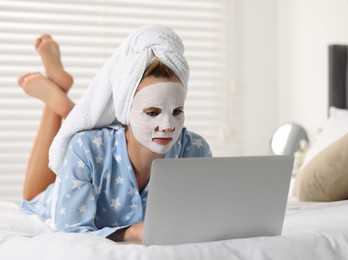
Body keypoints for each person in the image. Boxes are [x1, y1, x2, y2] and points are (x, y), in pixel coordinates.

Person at [18, 25, 212, 242]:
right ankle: (57, 99)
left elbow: (207, 216)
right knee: (33, 195)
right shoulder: (85, 147)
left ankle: (62, 99)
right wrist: (132, 231)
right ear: (125, 111)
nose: (168, 126)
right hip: (63, 186)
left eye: (177, 111)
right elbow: (70, 233)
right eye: (152, 112)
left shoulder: (195, 149)